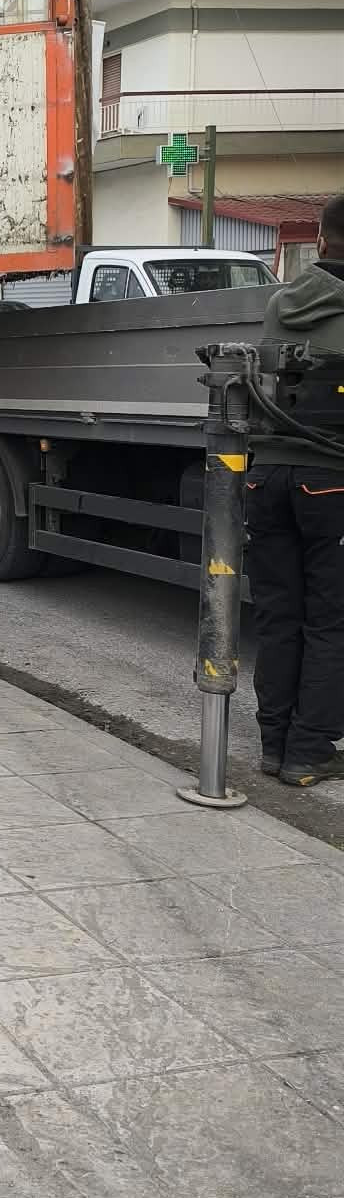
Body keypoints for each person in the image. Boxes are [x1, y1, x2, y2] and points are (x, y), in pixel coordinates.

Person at [246, 192, 344, 786]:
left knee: (279, 616)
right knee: (330, 622)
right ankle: (309, 752)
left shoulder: (283, 301)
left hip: (269, 476)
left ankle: (274, 743)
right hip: (330, 483)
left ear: (324, 241)